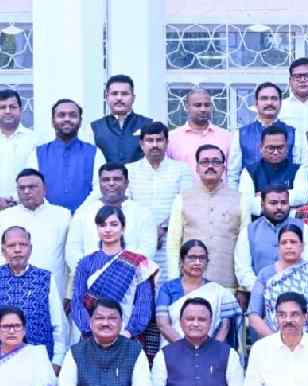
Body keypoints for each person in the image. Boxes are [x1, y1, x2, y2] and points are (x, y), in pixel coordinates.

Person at [167, 144, 248, 293]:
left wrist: (243, 288)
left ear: (224, 168)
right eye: (204, 162)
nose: (210, 166)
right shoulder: (182, 199)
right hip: (189, 287)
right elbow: (173, 245)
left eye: (216, 162)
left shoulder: (240, 199)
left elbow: (245, 248)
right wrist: (174, 284)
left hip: (228, 287)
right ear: (197, 168)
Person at [70, 206, 157, 341]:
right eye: (102, 225)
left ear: (123, 228)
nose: (108, 230)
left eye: (114, 224)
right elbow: (77, 302)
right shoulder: (86, 263)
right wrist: (91, 331)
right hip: (91, 338)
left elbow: (143, 304)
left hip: (127, 339)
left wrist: (128, 333)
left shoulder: (138, 263)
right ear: (97, 229)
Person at [247, 224, 308, 351]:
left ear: (302, 246)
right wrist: (280, 343)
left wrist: (303, 346)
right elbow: (253, 316)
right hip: (276, 347)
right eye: (284, 242)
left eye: (293, 242)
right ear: (278, 247)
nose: (289, 246)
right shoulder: (265, 274)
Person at [127, 122, 194, 280]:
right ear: (142, 144)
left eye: (159, 140)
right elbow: (128, 206)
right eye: (150, 140)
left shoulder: (181, 169)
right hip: (138, 239)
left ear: (167, 143)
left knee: (168, 284)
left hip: (171, 238)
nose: (155, 145)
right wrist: (149, 232)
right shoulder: (129, 170)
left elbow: (186, 203)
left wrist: (162, 229)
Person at [65, 163, 156, 277]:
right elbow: (73, 250)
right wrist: (89, 273)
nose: (111, 183)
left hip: (131, 281)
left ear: (126, 183)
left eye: (117, 179)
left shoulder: (142, 213)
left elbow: (148, 249)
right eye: (106, 180)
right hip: (91, 281)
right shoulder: (84, 213)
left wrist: (123, 275)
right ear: (100, 183)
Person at [0, 226, 67, 368]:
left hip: (40, 364)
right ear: (3, 250)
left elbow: (59, 325)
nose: (18, 249)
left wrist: (57, 361)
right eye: (12, 245)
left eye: (23, 244)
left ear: (30, 249)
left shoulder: (45, 278)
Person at [156, 240, 241, 349]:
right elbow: (163, 325)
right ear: (182, 261)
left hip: (210, 354)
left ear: (207, 262)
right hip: (174, 350)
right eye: (192, 258)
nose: (197, 262)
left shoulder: (218, 291)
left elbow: (225, 327)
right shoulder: (167, 289)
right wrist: (187, 349)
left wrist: (209, 352)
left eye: (202, 258)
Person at [0, 169, 71, 297]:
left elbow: (70, 256)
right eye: (22, 188)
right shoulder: (5, 217)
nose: (26, 191)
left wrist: (69, 294)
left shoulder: (63, 215)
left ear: (45, 189)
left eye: (32, 187)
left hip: (53, 288)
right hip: (12, 289)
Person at [234, 186, 308, 295]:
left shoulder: (304, 229)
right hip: (259, 296)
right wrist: (264, 290)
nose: (279, 207)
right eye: (273, 203)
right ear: (262, 204)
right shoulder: (249, 231)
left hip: (296, 296)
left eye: (284, 202)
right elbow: (243, 271)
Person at [227, 82, 301, 188]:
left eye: (274, 98)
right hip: (250, 199)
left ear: (280, 103)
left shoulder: (293, 133)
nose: (269, 102)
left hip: (286, 199)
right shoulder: (241, 133)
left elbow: (298, 170)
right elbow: (233, 175)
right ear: (256, 103)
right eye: (264, 98)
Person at [34, 98, 99, 213]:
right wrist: (53, 213)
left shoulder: (94, 153)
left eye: (73, 115)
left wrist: (81, 213)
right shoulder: (38, 153)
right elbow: (32, 186)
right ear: (53, 121)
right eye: (61, 115)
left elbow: (99, 189)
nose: (67, 119)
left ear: (80, 120)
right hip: (46, 217)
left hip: (85, 217)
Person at [238, 125, 308, 218]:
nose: (275, 152)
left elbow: (302, 197)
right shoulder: (249, 171)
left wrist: (262, 196)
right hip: (259, 225)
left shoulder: (298, 170)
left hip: (290, 227)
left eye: (280, 148)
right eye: (271, 148)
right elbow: (247, 204)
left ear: (287, 148)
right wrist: (288, 204)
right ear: (261, 148)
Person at [166, 88, 233, 176]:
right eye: (198, 105)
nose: (203, 109)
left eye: (207, 105)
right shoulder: (172, 138)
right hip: (183, 189)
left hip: (218, 189)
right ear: (186, 107)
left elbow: (232, 173)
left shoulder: (226, 137)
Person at [88, 75, 152, 165]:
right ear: (107, 97)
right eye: (114, 93)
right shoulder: (94, 128)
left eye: (124, 94)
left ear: (133, 98)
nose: (119, 98)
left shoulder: (149, 125)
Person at [0, 89, 37, 207]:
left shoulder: (34, 140)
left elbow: (35, 174)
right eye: (2, 107)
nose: (7, 111)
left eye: (12, 107)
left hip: (23, 208)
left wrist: (14, 198)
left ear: (20, 110)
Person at [279, 58, 308, 138]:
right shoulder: (280, 107)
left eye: (307, 76)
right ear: (290, 81)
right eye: (297, 76)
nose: (302, 80)